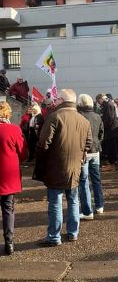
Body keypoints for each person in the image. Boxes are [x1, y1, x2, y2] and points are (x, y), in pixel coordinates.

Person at [33, 89, 92, 246]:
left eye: (56, 98)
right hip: (75, 167)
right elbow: (88, 144)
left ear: (61, 100)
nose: (54, 101)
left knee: (55, 202)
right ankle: (73, 233)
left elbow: (43, 143)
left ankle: (54, 237)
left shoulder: (54, 117)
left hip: (55, 167)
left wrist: (40, 161)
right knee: (73, 200)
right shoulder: (84, 120)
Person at [0, 101, 27, 255]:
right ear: (7, 114)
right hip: (7, 175)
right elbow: (23, 153)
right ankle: (9, 242)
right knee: (8, 208)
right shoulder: (14, 129)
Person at [77, 94, 105, 220]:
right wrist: (97, 143)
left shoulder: (79, 116)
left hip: (84, 151)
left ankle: (87, 211)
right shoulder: (97, 116)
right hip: (96, 150)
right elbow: (101, 133)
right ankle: (99, 206)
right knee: (96, 179)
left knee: (83, 181)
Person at [97, 94, 118, 172]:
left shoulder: (108, 105)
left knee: (111, 148)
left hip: (111, 130)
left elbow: (109, 118)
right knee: (111, 147)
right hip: (111, 130)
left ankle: (111, 165)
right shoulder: (109, 104)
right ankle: (110, 163)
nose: (99, 104)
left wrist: (102, 126)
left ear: (101, 99)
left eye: (98, 102)